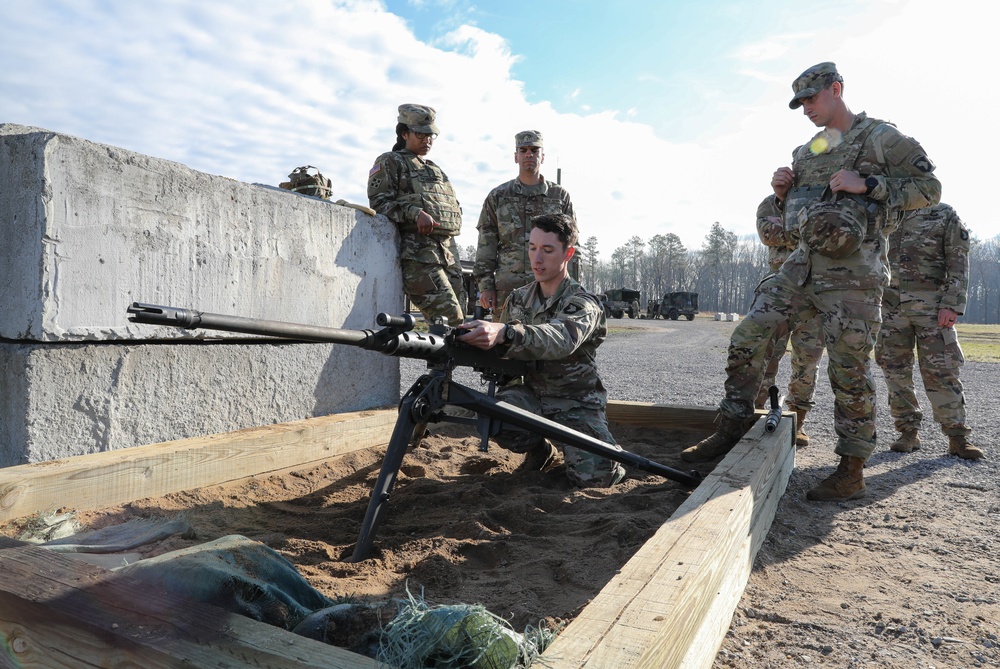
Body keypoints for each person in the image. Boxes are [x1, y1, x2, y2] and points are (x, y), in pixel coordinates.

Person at [681, 62, 941, 502]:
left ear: (836, 90)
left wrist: (870, 183)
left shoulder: (881, 137)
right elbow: (801, 212)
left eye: (811, 99)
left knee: (849, 370)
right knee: (750, 334)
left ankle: (851, 469)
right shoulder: (811, 148)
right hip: (800, 269)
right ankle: (731, 425)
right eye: (799, 103)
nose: (805, 109)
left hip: (854, 278)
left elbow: (929, 188)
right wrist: (784, 194)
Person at [458, 213, 626, 488]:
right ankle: (541, 451)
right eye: (533, 248)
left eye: (547, 250)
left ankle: (604, 456)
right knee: (493, 413)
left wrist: (506, 332)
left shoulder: (584, 303)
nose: (537, 259)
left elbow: (561, 338)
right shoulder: (518, 299)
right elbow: (503, 352)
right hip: (532, 397)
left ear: (567, 253)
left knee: (596, 478)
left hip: (575, 402)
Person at [874, 203, 983, 460]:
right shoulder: (884, 211)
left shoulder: (942, 214)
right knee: (894, 373)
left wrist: (952, 304)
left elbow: (958, 260)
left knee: (942, 371)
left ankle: (957, 437)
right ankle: (907, 433)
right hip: (889, 307)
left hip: (933, 307)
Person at [368, 104, 467, 324]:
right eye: (421, 134)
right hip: (419, 258)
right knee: (451, 319)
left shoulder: (435, 169)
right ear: (405, 133)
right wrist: (414, 213)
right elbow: (379, 202)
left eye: (431, 135)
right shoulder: (391, 161)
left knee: (460, 326)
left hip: (447, 256)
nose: (427, 140)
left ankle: (442, 360)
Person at [473, 130, 575, 317]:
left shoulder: (559, 196)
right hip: (508, 291)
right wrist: (486, 286)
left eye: (535, 150)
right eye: (524, 150)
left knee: (548, 341)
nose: (529, 154)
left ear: (542, 157)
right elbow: (486, 245)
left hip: (551, 289)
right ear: (516, 156)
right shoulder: (498, 196)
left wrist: (572, 287)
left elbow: (572, 245)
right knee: (505, 341)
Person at [754, 194, 825, 447]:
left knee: (807, 362)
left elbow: (827, 234)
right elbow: (768, 234)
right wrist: (808, 230)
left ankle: (798, 422)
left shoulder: (823, 197)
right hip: (779, 290)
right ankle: (756, 413)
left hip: (815, 290)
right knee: (765, 354)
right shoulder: (771, 203)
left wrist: (790, 229)